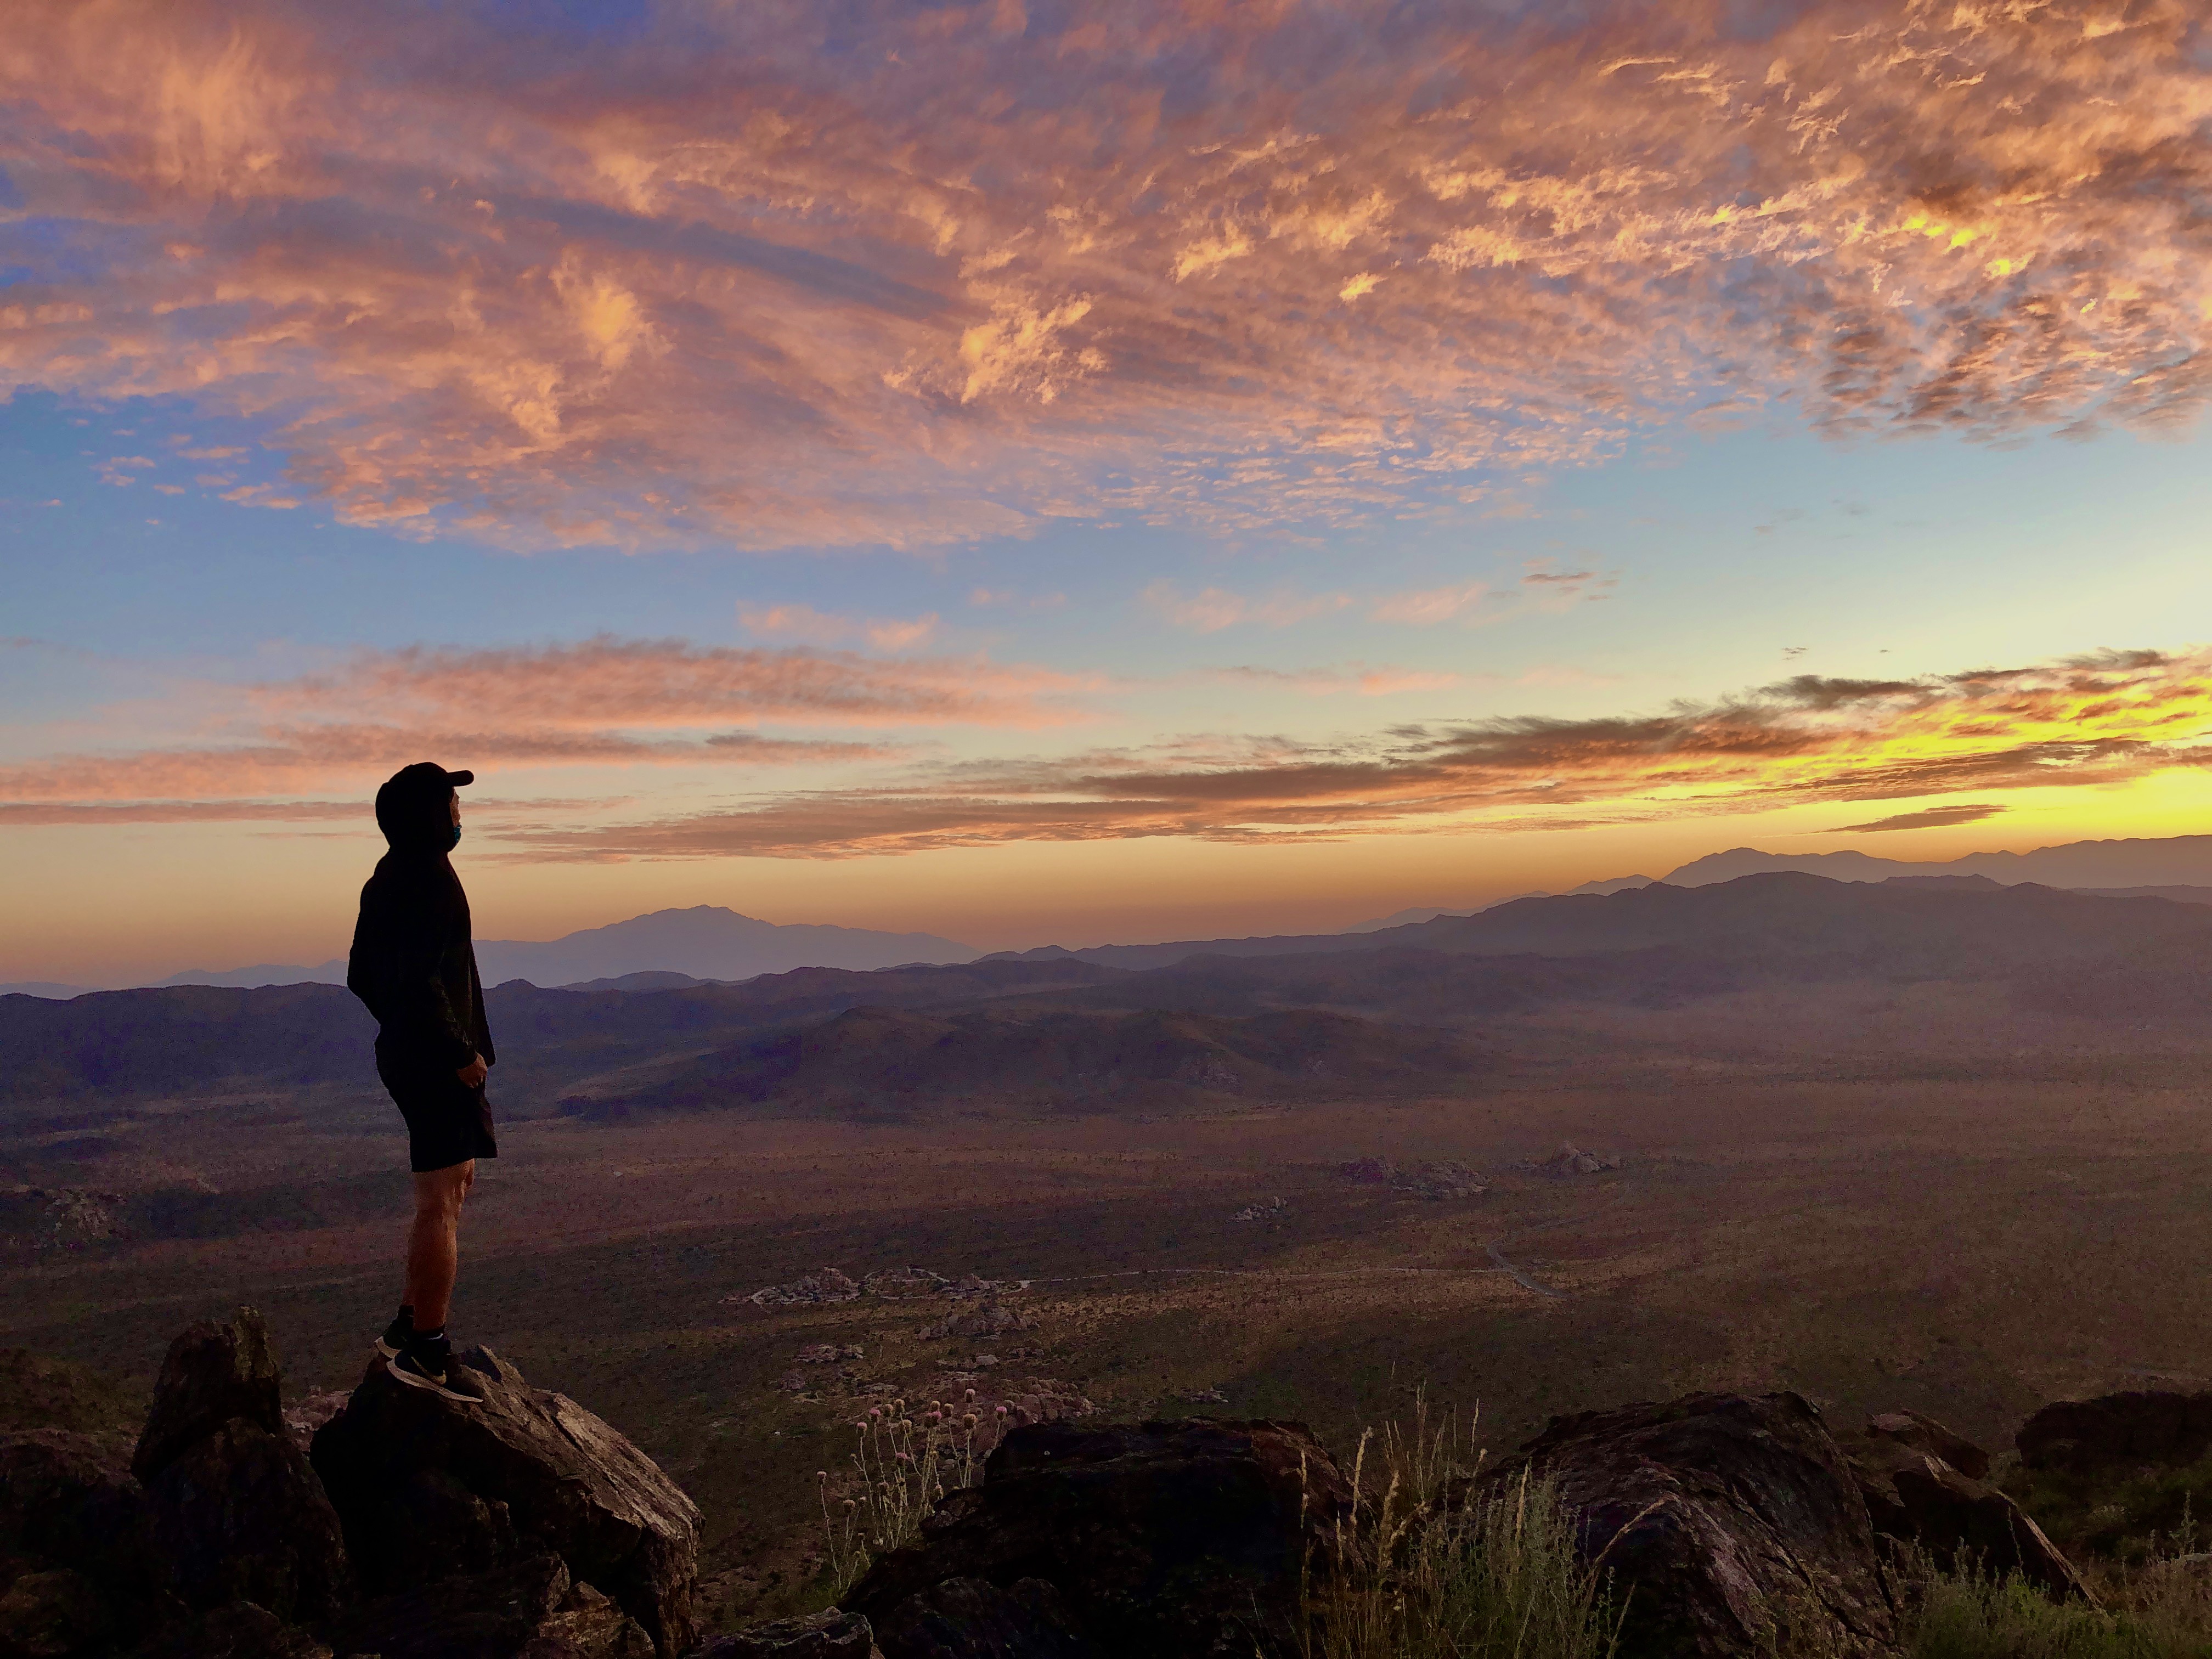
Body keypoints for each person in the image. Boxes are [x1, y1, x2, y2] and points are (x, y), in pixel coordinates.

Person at [346, 761, 496, 1403]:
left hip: (414, 1056)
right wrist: (458, 1051)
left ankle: (408, 1324)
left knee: (453, 1185)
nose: (461, 815)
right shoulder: (428, 880)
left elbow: (363, 976)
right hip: (437, 1063)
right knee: (440, 1201)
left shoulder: (387, 878)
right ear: (431, 815)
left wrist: (405, 1034)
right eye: (453, 804)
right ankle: (428, 1354)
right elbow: (418, 980)